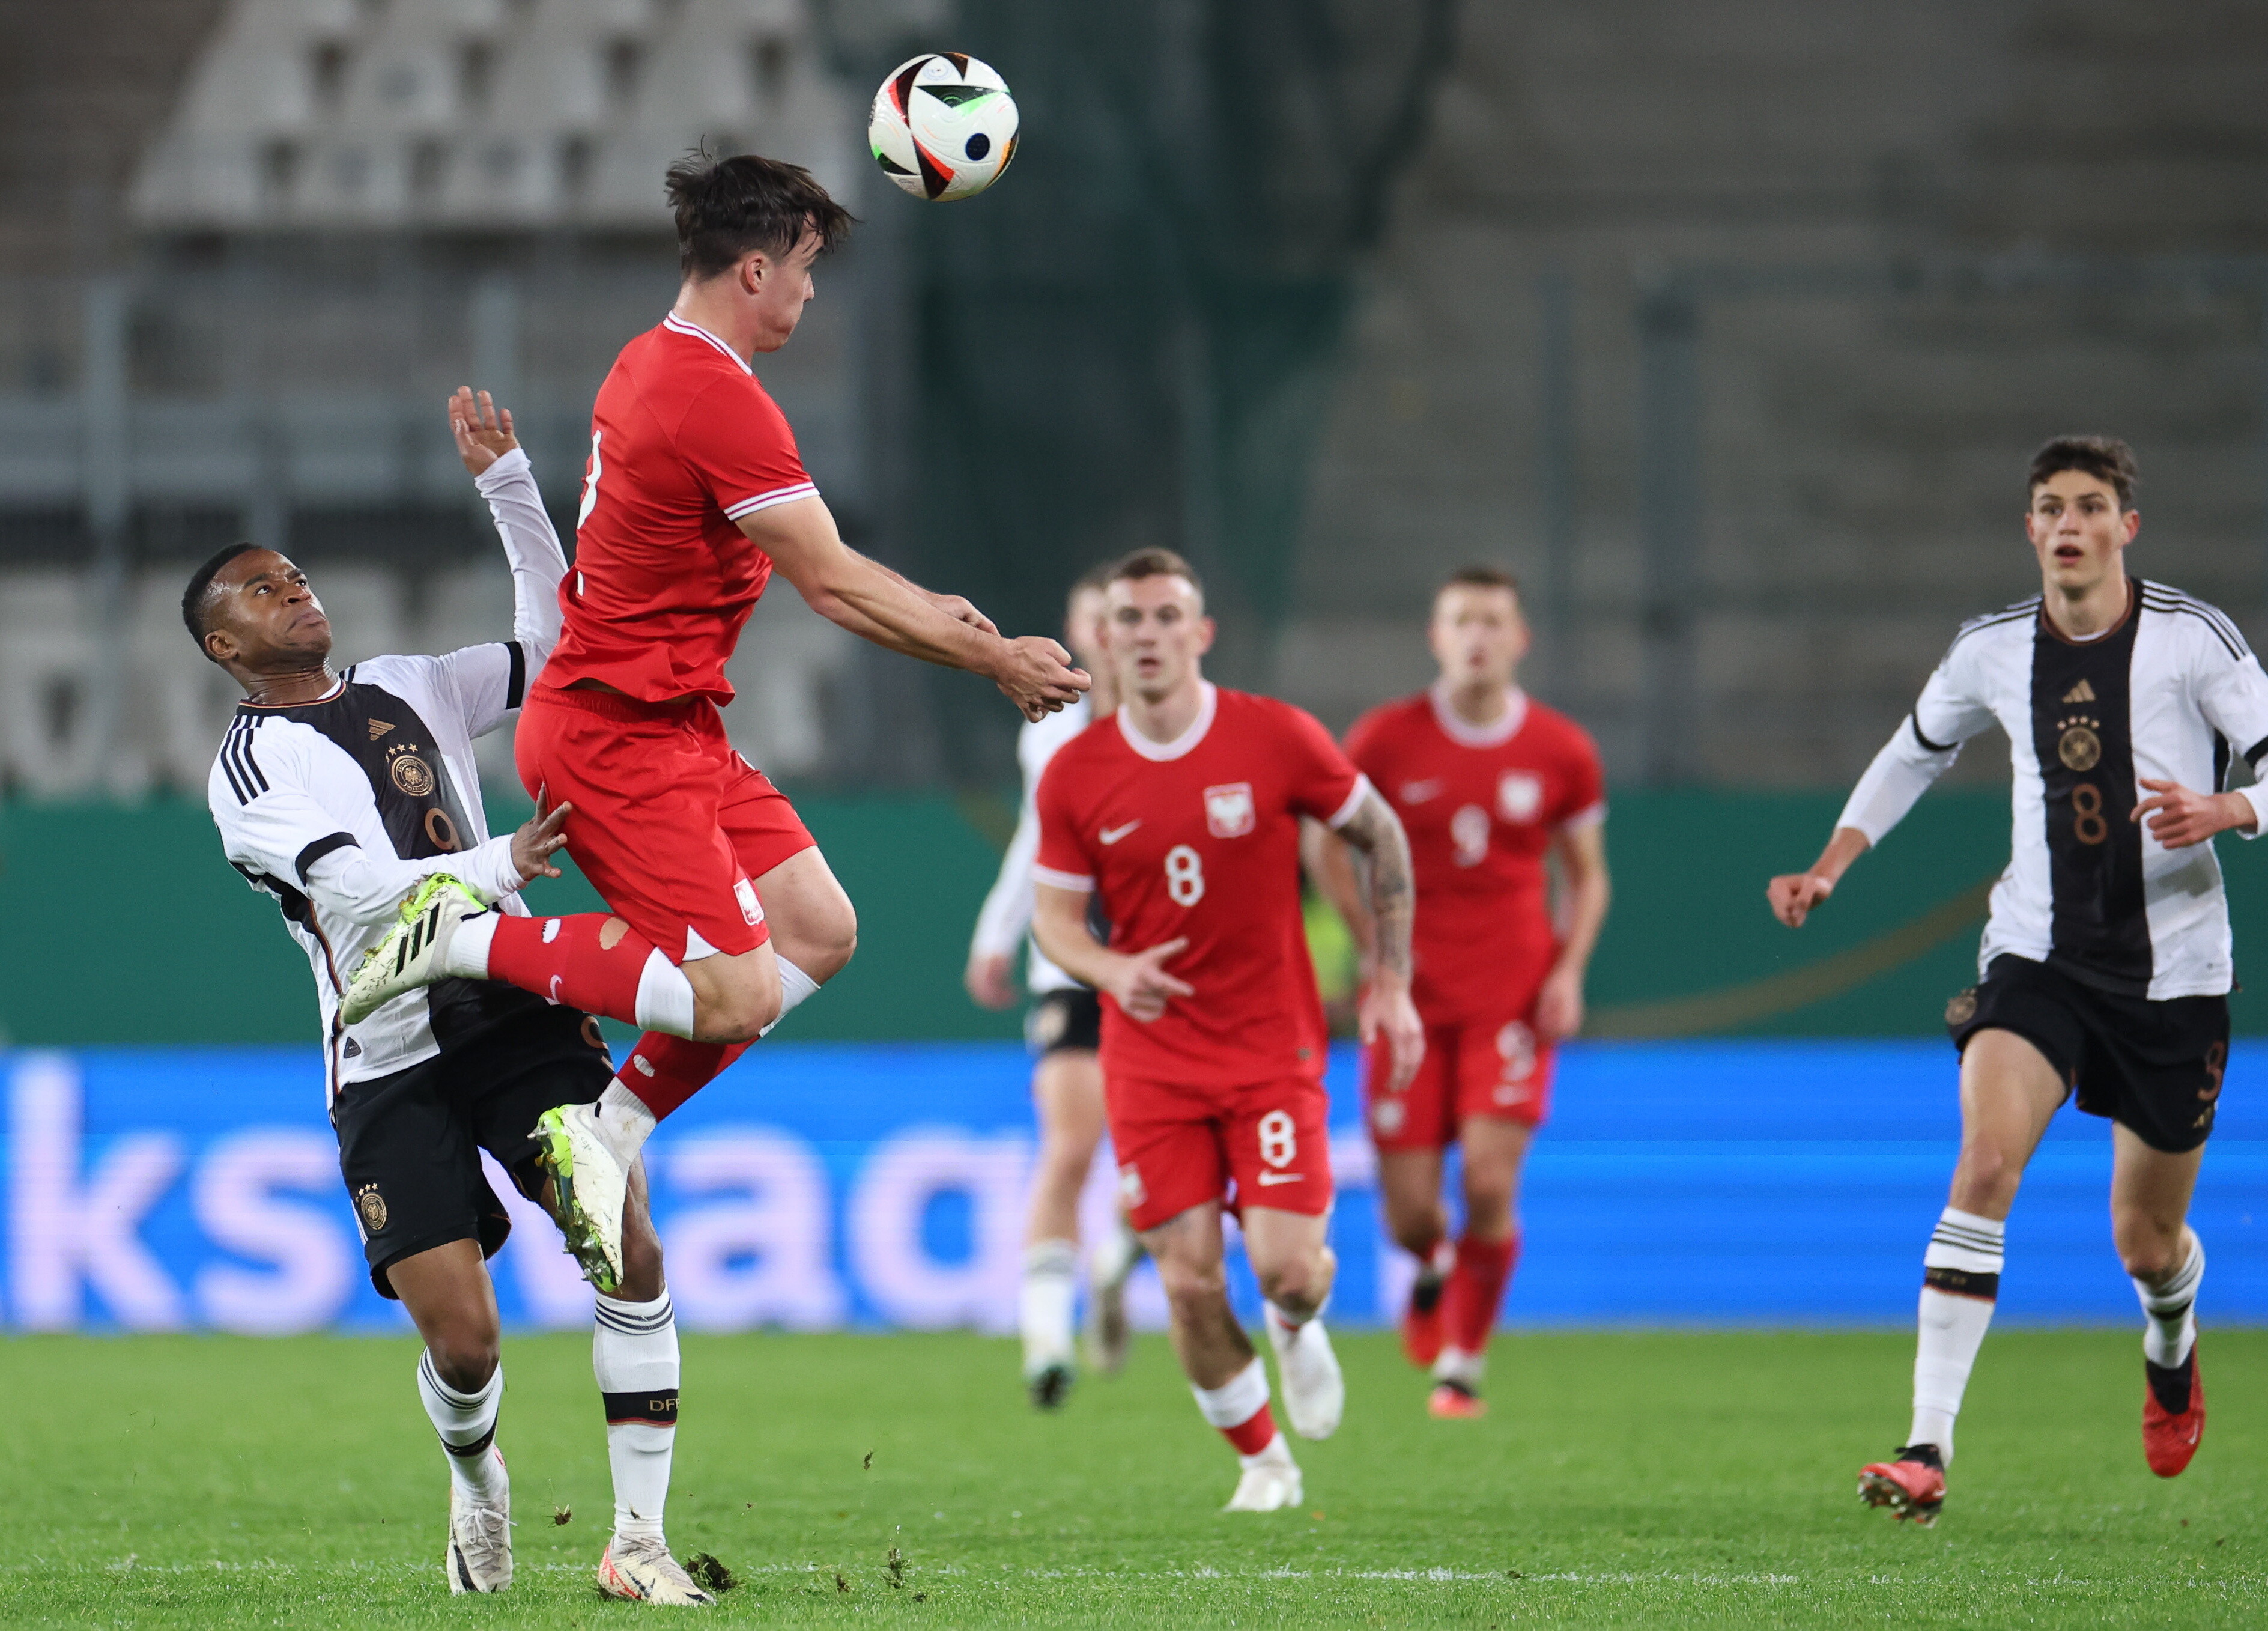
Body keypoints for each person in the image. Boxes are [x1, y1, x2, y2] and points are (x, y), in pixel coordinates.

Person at [340, 152, 1088, 1293]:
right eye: (804, 268)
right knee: (735, 991)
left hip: (675, 722)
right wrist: (991, 657)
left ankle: (608, 1131)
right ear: (754, 266)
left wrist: (945, 618)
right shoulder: (708, 394)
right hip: (613, 734)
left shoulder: (659, 363)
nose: (810, 292)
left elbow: (829, 570)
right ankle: (459, 939)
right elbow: (830, 585)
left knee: (820, 931)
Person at [193, 390, 714, 1604]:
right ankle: (475, 1474)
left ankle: (638, 1542)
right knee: (466, 1341)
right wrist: (496, 863)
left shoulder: (412, 681)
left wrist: (511, 484)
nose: (296, 590)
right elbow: (367, 896)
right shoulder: (250, 771)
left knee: (623, 1240)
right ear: (223, 645)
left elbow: (556, 641)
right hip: (385, 1049)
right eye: (264, 589)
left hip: (513, 1011)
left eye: (298, 574)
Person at [1768, 436, 2264, 1527]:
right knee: (1985, 1161)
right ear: (2031, 530)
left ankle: (2171, 1342)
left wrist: (2228, 809)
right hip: (2037, 956)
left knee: (2145, 1241)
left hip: (2175, 975)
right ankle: (1926, 1446)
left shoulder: (2193, 641)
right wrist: (1830, 866)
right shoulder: (1992, 649)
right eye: (2052, 507)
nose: (2071, 524)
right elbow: (1914, 751)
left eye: (2092, 506)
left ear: (2127, 528)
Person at [1029, 548, 1424, 1511]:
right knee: (1192, 1285)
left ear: (1201, 634)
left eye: (1169, 617)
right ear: (1106, 639)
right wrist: (1113, 967)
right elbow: (1053, 921)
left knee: (1288, 1272)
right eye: (1130, 619)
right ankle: (1264, 1461)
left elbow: (1384, 836)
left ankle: (1298, 1324)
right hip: (1151, 1061)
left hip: (1268, 1050)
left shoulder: (1276, 737)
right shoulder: (1076, 774)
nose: (1149, 634)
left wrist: (1395, 980)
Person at [1311, 566, 1609, 1418]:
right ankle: (1435, 1272)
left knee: (1486, 1183)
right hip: (1407, 1000)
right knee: (1409, 1216)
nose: (1477, 636)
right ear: (1436, 638)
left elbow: (1587, 878)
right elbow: (1327, 848)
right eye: (1461, 621)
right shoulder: (1384, 741)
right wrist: (1374, 949)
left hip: (1509, 997)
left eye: (1493, 621)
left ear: (1520, 640)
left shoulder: (1561, 750)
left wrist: (1568, 969)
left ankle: (1462, 1369)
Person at [966, 566, 1145, 1406]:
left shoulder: (1188, 722)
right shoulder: (1054, 726)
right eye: (1096, 620)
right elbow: (1040, 838)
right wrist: (997, 933)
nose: (1112, 637)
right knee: (1072, 1147)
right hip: (1074, 960)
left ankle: (1115, 1265)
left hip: (1164, 960)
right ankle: (1046, 1337)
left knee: (1163, 1158)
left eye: (1129, 620)